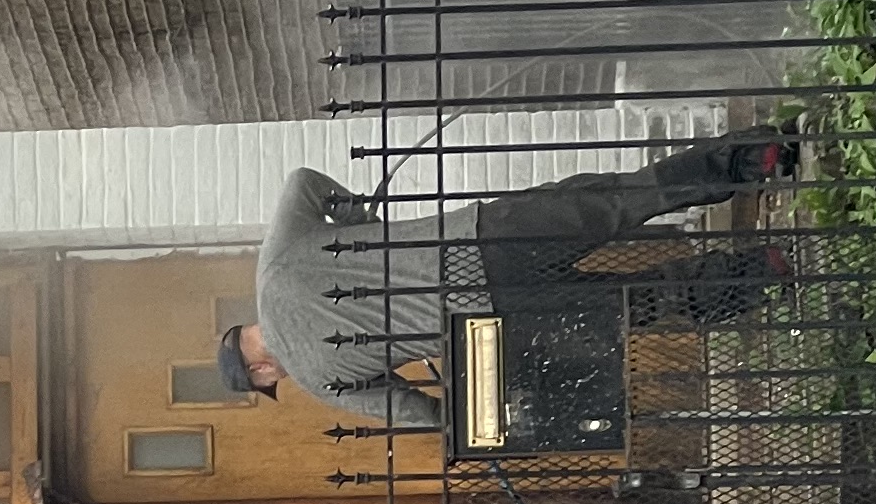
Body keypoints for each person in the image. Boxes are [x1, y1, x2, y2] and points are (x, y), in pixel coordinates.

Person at [221, 126, 806, 430]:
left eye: (271, 381)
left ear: (260, 368)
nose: (281, 379)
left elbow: (419, 412)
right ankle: (755, 158)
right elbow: (302, 180)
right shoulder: (275, 264)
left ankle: (764, 271)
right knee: (620, 200)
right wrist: (364, 225)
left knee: (639, 303)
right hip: (480, 235)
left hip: (491, 321)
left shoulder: (321, 382)